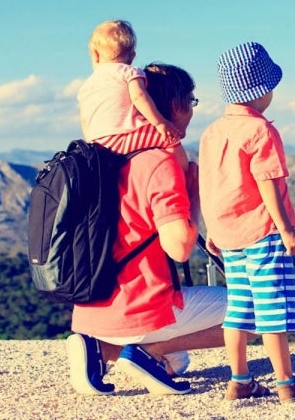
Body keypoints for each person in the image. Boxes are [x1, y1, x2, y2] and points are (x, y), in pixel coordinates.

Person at [67, 62, 225, 396]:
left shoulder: (108, 157)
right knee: (263, 308)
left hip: (92, 307)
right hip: (140, 304)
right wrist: (194, 194)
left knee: (179, 362)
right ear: (177, 106)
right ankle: (144, 352)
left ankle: (101, 350)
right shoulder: (160, 161)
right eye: (192, 102)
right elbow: (179, 247)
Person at [199, 42, 295, 403]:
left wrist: (213, 230)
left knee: (238, 308)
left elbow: (209, 185)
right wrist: (286, 228)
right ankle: (287, 384)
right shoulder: (261, 132)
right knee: (273, 310)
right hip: (263, 233)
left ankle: (240, 380)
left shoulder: (211, 134)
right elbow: (267, 182)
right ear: (261, 90)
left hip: (227, 235)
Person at [77, 20, 189, 170]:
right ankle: (184, 173)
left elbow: (84, 119)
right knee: (169, 139)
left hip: (96, 144)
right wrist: (160, 123)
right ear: (132, 56)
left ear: (95, 55)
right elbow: (139, 97)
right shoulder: (129, 72)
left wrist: (91, 140)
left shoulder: (87, 85)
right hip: (120, 138)